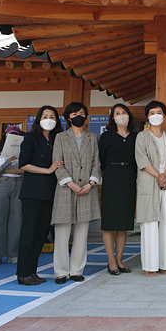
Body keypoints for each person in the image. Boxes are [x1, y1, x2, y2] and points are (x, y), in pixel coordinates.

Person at [52, 102, 102, 284]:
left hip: (87, 189)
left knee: (82, 232)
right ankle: (61, 271)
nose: (78, 116)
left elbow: (97, 163)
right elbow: (57, 163)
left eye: (81, 113)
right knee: (62, 232)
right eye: (74, 113)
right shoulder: (60, 137)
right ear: (68, 117)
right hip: (66, 189)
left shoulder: (92, 137)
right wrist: (70, 183)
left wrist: (91, 183)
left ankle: (76, 270)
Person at [15, 106, 64, 285]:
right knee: (29, 231)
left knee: (41, 233)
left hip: (49, 192)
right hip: (32, 191)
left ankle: (32, 271)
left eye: (52, 116)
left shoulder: (56, 139)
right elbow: (23, 164)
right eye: (45, 116)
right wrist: (47, 170)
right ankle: (23, 273)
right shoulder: (30, 138)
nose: (49, 119)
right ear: (38, 119)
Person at [135, 101, 166, 277]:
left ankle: (165, 264)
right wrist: (159, 177)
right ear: (148, 116)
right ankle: (150, 266)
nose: (156, 115)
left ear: (164, 115)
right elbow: (142, 160)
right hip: (149, 182)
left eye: (159, 112)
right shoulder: (142, 137)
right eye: (152, 112)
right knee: (150, 225)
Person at [99, 104, 137, 276]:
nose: (121, 116)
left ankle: (120, 260)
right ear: (112, 118)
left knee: (123, 224)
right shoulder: (106, 137)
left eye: (124, 113)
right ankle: (111, 260)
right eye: (117, 113)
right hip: (111, 178)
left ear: (129, 116)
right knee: (109, 223)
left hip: (129, 178)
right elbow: (100, 160)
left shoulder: (136, 137)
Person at [0, 126, 25, 266]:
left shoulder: (24, 153)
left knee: (17, 220)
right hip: (1, 185)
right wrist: (6, 164)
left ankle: (13, 254)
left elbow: (25, 171)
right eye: (10, 135)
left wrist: (5, 170)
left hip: (19, 184)